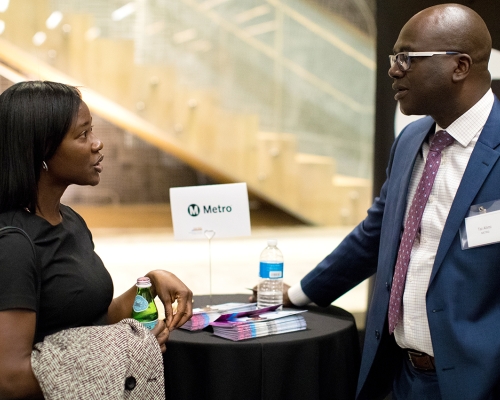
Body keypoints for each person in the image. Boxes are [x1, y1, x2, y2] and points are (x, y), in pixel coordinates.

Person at [252, 4, 499, 400]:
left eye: (407, 58)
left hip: (477, 384)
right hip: (398, 377)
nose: (393, 70)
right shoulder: (410, 140)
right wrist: (295, 295)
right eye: (393, 58)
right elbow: (374, 235)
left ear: (460, 67)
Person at [0, 80, 193, 399]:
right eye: (83, 134)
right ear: (43, 149)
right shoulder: (12, 243)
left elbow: (97, 318)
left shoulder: (71, 221)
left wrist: (151, 283)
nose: (97, 144)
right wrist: (124, 354)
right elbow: (9, 378)